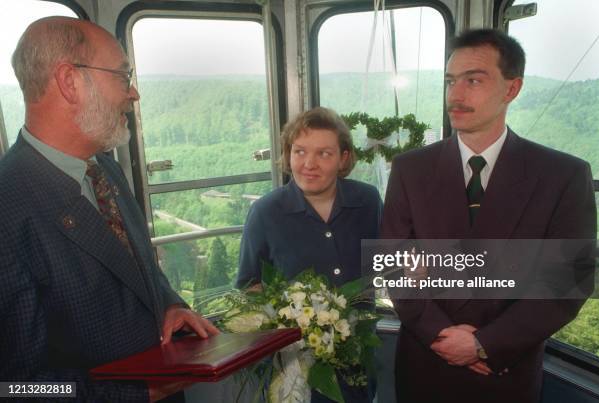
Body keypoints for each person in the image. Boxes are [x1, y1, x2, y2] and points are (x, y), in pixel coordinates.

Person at [0, 16, 219, 402]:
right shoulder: (8, 207)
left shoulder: (105, 168)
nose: (133, 93)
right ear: (70, 81)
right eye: (122, 76)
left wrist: (167, 304)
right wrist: (142, 390)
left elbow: (136, 269)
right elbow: (16, 387)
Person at [381, 29, 596, 403]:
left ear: (511, 89)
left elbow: (565, 283)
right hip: (426, 365)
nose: (456, 95)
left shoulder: (562, 176)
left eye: (473, 80)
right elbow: (393, 264)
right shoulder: (410, 170)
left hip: (505, 372)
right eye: (450, 81)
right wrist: (444, 337)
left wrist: (486, 344)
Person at [237, 106, 382, 402]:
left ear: (343, 158)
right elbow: (248, 288)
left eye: (324, 154)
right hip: (294, 373)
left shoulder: (368, 201)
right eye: (300, 151)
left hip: (357, 365)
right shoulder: (265, 212)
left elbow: (386, 266)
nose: (309, 164)